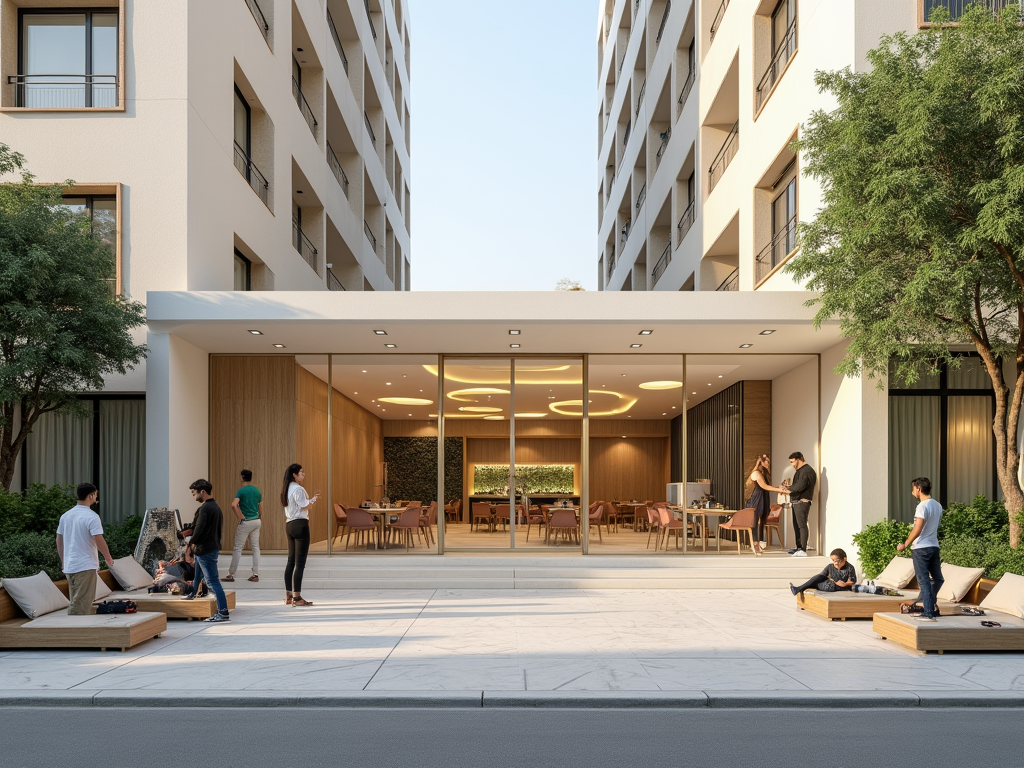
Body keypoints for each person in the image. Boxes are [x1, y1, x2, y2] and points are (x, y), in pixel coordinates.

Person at [55, 483, 116, 615]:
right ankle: (73, 633)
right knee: (80, 606)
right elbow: (98, 540)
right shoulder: (91, 516)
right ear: (91, 495)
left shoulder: (66, 516)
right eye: (96, 495)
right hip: (85, 566)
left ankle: (75, 631)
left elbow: (59, 540)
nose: (96, 498)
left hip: (70, 566)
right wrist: (108, 558)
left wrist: (63, 561)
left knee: (77, 602)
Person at [183, 479, 230, 622]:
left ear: (202, 492)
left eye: (194, 493)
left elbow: (199, 529)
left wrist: (189, 545)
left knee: (212, 581)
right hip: (210, 547)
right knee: (197, 574)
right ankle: (192, 594)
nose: (193, 496)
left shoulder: (205, 509)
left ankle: (223, 612)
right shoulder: (216, 507)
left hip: (205, 549)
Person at [897, 477, 944, 622]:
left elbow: (918, 527)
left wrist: (906, 543)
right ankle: (929, 605)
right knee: (937, 579)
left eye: (913, 489)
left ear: (918, 489)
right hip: (933, 546)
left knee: (923, 580)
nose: (912, 492)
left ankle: (928, 611)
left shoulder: (922, 506)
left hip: (921, 548)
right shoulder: (937, 505)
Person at [282, 463, 319, 607]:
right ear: (294, 475)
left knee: (291, 561)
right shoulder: (298, 489)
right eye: (301, 472)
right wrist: (313, 499)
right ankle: (297, 598)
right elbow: (305, 505)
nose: (303, 474)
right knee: (300, 563)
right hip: (300, 525)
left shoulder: (286, 489)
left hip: (289, 524)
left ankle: (288, 596)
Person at [744, 454, 788, 555]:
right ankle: (754, 544)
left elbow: (767, 486)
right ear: (761, 462)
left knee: (762, 521)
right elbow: (765, 486)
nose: (768, 463)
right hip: (756, 499)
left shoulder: (762, 473)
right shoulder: (756, 473)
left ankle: (758, 544)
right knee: (755, 522)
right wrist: (779, 490)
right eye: (766, 461)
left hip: (762, 498)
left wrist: (778, 487)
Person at [225, 469, 262, 583]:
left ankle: (231, 574)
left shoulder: (241, 491)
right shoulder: (257, 490)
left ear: (241, 477)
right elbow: (260, 506)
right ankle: (255, 574)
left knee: (238, 547)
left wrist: (240, 516)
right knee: (255, 547)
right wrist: (259, 517)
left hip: (246, 521)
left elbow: (234, 504)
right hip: (256, 521)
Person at [782, 452, 817, 557]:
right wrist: (790, 487)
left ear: (799, 459)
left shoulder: (806, 471)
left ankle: (803, 549)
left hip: (802, 502)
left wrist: (788, 489)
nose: (792, 464)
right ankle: (799, 548)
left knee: (801, 525)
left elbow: (800, 486)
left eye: (792, 462)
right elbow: (797, 485)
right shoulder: (801, 471)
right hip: (797, 502)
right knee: (797, 526)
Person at [789, 549, 857, 595]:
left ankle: (799, 589)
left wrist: (845, 584)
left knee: (817, 583)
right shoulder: (830, 566)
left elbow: (852, 581)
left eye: (837, 561)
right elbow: (821, 576)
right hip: (829, 584)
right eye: (833, 560)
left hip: (839, 587)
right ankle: (798, 589)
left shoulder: (849, 568)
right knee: (818, 578)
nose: (835, 563)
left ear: (844, 559)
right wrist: (833, 581)